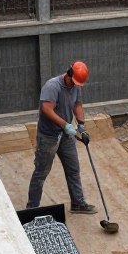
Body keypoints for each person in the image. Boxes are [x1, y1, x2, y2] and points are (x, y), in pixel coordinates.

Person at [26, 61, 98, 214]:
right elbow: (46, 109)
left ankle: (78, 203)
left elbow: (77, 104)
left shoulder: (75, 86)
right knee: (41, 172)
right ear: (69, 73)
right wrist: (65, 125)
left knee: (73, 169)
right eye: (73, 81)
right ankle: (32, 208)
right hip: (48, 136)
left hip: (66, 135)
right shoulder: (52, 86)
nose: (74, 85)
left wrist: (81, 125)